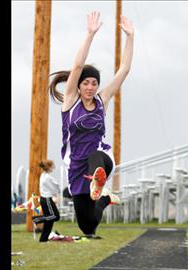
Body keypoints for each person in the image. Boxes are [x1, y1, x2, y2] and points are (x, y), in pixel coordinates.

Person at [48, 11, 134, 239]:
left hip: (100, 159)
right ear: (78, 85)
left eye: (94, 83)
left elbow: (124, 70)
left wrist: (130, 37)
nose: (90, 87)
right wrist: (90, 34)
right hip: (76, 166)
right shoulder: (70, 102)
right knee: (87, 226)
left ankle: (98, 178)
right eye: (85, 82)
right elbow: (76, 67)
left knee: (96, 158)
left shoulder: (101, 101)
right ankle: (103, 198)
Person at [34, 160, 61, 242]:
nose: (53, 167)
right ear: (49, 167)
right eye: (52, 166)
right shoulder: (48, 177)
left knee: (50, 220)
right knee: (55, 216)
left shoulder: (43, 175)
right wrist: (56, 195)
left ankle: (43, 239)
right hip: (47, 199)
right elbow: (55, 187)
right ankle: (37, 219)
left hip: (44, 199)